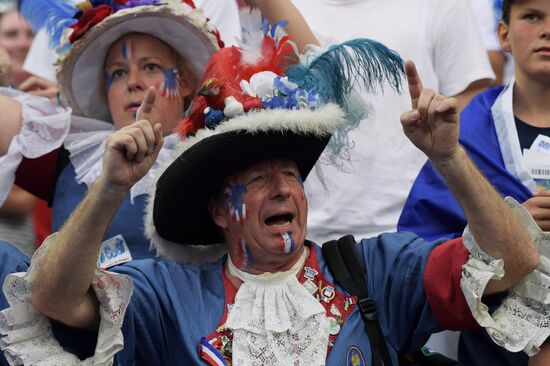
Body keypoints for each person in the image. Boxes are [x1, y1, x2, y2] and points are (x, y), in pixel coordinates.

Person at [2, 18, 547, 365]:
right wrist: (108, 189)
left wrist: (450, 158)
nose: (283, 189)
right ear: (220, 210)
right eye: (258, 180)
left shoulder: (376, 270)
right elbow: (52, 299)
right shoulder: (167, 295)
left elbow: (515, 263)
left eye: (290, 175)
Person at [0, 0, 225, 261]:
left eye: (150, 67)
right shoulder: (73, 154)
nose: (132, 83)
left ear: (185, 82)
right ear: (104, 91)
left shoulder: (220, 150)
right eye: (118, 73)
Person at [399, 0, 550, 364]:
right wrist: (501, 230)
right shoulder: (467, 132)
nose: (547, 29)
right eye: (533, 16)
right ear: (504, 35)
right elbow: (424, 252)